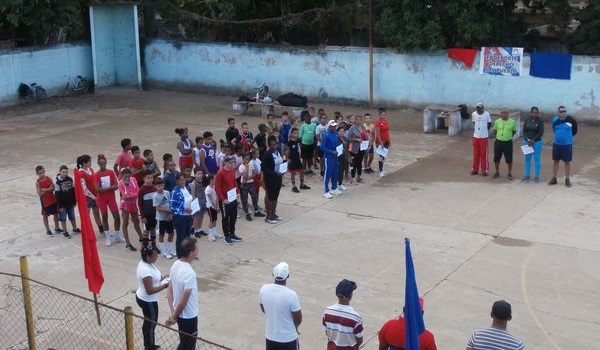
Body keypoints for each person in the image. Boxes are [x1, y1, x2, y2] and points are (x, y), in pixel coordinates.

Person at [259, 262, 302, 350]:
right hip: (288, 339)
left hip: (270, 337)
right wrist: (295, 327)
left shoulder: (264, 289)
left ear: (273, 274)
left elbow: (263, 308)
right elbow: (298, 318)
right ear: (288, 276)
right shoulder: (291, 295)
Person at [166, 237, 199, 350]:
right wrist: (173, 316)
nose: (197, 251)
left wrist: (173, 314)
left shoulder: (175, 264)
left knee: (184, 344)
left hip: (179, 315)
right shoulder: (190, 274)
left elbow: (169, 290)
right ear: (191, 253)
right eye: (196, 249)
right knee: (188, 346)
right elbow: (183, 302)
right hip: (189, 317)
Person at [136, 243, 169, 350]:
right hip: (147, 300)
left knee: (149, 322)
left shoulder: (148, 263)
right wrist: (165, 285)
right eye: (155, 255)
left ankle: (149, 343)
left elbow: (154, 277)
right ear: (148, 257)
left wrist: (162, 278)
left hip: (146, 298)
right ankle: (149, 346)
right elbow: (150, 290)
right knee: (151, 323)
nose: (157, 257)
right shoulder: (145, 270)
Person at [322, 279, 363, 350]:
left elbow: (327, 333)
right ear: (350, 296)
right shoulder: (355, 317)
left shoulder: (327, 312)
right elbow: (359, 339)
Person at [94, 154, 121, 246]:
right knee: (104, 217)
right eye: (101, 164)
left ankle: (117, 236)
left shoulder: (110, 172)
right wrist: (111, 188)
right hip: (101, 199)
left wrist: (106, 189)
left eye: (104, 164)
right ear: (98, 164)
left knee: (117, 217)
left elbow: (116, 186)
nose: (103, 166)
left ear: (106, 163)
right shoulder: (96, 175)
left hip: (111, 198)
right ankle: (108, 237)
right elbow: (97, 189)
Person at [215, 156, 243, 245]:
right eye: (230, 163)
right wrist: (223, 199)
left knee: (234, 216)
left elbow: (234, 182)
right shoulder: (220, 173)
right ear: (225, 163)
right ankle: (226, 236)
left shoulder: (232, 170)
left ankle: (232, 233)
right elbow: (217, 188)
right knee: (225, 218)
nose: (232, 165)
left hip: (233, 197)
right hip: (225, 199)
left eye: (233, 163)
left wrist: (238, 192)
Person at [548, 105, 578, 187]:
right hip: (556, 144)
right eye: (561, 111)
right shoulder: (555, 120)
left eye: (565, 111)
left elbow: (575, 131)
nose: (563, 113)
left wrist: (567, 137)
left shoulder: (571, 120)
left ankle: (567, 179)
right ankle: (554, 178)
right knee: (555, 161)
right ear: (558, 113)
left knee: (567, 162)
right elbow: (554, 129)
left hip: (567, 145)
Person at [77, 154, 104, 235]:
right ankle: (86, 231)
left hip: (94, 195)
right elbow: (84, 189)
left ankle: (101, 230)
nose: (91, 163)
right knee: (86, 216)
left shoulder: (90, 169)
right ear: (84, 163)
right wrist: (94, 197)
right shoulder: (80, 173)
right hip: (87, 198)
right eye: (89, 161)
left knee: (96, 213)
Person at [170, 172, 194, 258]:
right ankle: (180, 256)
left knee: (187, 236)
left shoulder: (186, 188)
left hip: (188, 216)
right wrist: (184, 209)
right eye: (180, 180)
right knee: (181, 237)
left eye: (183, 179)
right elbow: (172, 206)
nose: (182, 181)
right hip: (180, 217)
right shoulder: (174, 192)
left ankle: (186, 253)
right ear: (177, 181)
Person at [118, 168, 143, 251]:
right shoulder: (120, 184)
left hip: (133, 204)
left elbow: (138, 192)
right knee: (125, 223)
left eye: (128, 176)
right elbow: (124, 196)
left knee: (136, 221)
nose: (127, 178)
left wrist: (131, 195)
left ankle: (141, 237)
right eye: (125, 177)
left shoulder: (133, 179)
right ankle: (128, 244)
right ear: (122, 176)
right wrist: (133, 194)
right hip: (125, 205)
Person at [262, 135, 284, 224]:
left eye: (275, 144)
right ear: (269, 145)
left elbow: (281, 162)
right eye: (272, 145)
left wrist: (283, 169)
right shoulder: (267, 154)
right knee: (270, 197)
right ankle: (268, 216)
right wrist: (275, 173)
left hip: (278, 178)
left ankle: (273, 213)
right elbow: (265, 169)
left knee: (276, 196)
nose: (274, 147)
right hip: (270, 179)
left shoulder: (278, 152)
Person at [35, 165, 62, 237]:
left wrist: (43, 189)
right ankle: (48, 230)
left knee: (56, 213)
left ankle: (57, 227)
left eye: (43, 172)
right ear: (37, 174)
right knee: (45, 215)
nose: (42, 174)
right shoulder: (37, 183)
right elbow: (40, 194)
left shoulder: (49, 178)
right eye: (40, 173)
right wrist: (47, 189)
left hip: (52, 199)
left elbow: (53, 188)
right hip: (45, 201)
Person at [153, 177, 175, 259]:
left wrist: (169, 214)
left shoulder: (167, 193)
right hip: (161, 218)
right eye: (158, 186)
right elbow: (158, 208)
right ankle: (164, 251)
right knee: (161, 234)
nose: (160, 188)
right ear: (155, 186)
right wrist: (168, 211)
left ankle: (169, 249)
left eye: (161, 186)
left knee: (171, 233)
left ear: (164, 185)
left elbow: (170, 203)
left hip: (168, 217)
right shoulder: (155, 196)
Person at [55, 165, 80, 236]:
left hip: (70, 203)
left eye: (66, 172)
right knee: (63, 218)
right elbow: (57, 195)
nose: (65, 173)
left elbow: (73, 191)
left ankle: (74, 229)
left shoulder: (70, 179)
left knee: (72, 216)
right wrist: (60, 206)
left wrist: (74, 201)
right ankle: (65, 231)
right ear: (59, 172)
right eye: (63, 172)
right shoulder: (57, 183)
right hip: (63, 205)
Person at [492, 109, 517, 180]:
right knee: (496, 158)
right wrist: (499, 137)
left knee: (509, 159)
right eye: (502, 113)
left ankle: (509, 173)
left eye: (505, 113)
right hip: (498, 142)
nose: (504, 115)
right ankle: (497, 172)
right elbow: (494, 131)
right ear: (500, 114)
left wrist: (507, 136)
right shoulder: (497, 121)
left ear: (508, 114)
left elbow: (514, 131)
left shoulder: (512, 122)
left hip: (508, 142)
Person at [522, 107, 544, 182]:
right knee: (527, 160)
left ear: (538, 113)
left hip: (537, 142)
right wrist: (528, 139)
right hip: (527, 142)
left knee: (537, 159)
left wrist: (533, 140)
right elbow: (524, 131)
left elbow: (541, 132)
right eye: (533, 112)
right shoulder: (527, 120)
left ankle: (536, 177)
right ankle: (527, 176)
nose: (534, 114)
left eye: (536, 112)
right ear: (531, 113)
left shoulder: (540, 121)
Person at [321, 120, 342, 199]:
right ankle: (325, 191)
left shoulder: (336, 134)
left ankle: (334, 188)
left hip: (335, 156)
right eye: (332, 126)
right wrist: (331, 151)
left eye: (335, 126)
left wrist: (340, 149)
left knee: (335, 173)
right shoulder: (326, 135)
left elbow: (337, 144)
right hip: (328, 157)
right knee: (327, 174)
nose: (334, 127)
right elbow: (322, 147)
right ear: (329, 126)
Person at [471, 103, 492, 176]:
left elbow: (489, 124)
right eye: (477, 108)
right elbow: (474, 122)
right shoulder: (473, 114)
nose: (478, 109)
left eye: (480, 108)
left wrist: (484, 130)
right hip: (476, 137)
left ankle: (484, 170)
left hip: (484, 137)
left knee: (484, 154)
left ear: (483, 108)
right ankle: (475, 169)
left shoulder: (487, 114)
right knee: (476, 154)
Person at [287, 127, 310, 193]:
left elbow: (299, 148)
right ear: (291, 134)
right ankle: (293, 186)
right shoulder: (290, 142)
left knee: (302, 171)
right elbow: (288, 151)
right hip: (292, 159)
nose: (296, 135)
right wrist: (288, 158)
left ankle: (302, 184)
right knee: (293, 173)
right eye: (295, 133)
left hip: (298, 159)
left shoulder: (298, 140)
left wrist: (300, 154)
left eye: (297, 133)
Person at [239, 153, 261, 221]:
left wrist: (249, 177)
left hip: (250, 183)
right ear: (243, 159)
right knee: (245, 199)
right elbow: (245, 176)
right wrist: (247, 168)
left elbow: (254, 174)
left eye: (248, 159)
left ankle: (256, 211)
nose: (247, 161)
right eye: (246, 159)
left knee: (254, 196)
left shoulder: (251, 164)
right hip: (244, 185)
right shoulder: (241, 167)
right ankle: (247, 213)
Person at [138, 171, 158, 242]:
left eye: (151, 178)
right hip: (146, 214)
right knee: (146, 230)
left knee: (153, 229)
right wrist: (143, 216)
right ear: (144, 179)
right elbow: (140, 204)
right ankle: (145, 246)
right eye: (148, 178)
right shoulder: (141, 190)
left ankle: (153, 246)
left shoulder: (154, 188)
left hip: (154, 213)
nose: (150, 180)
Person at [348, 114, 367, 183]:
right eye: (357, 120)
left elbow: (366, 136)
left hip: (361, 148)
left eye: (360, 120)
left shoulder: (363, 127)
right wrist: (356, 139)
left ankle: (359, 177)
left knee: (359, 163)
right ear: (355, 120)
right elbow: (348, 138)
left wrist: (367, 142)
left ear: (361, 120)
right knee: (353, 163)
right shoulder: (352, 128)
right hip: (354, 149)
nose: (358, 121)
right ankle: (353, 178)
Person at [299, 110, 317, 175]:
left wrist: (315, 144)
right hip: (304, 144)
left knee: (310, 157)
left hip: (311, 144)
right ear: (304, 118)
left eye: (309, 117)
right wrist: (301, 144)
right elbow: (300, 136)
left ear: (310, 118)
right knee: (304, 158)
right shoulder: (302, 126)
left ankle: (309, 169)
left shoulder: (314, 125)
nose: (307, 119)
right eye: (306, 118)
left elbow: (315, 135)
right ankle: (304, 170)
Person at [204, 174, 221, 242]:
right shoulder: (208, 189)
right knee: (212, 220)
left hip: (215, 207)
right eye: (215, 179)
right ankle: (210, 235)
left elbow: (216, 196)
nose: (216, 180)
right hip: (210, 207)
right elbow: (211, 200)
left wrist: (217, 205)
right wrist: (215, 207)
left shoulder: (214, 187)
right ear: (211, 180)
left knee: (215, 220)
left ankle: (214, 232)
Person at [375, 108, 391, 178]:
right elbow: (378, 133)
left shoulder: (386, 121)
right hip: (380, 142)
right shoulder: (378, 122)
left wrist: (389, 141)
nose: (383, 116)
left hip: (386, 141)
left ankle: (382, 169)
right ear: (379, 115)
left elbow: (387, 132)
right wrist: (381, 143)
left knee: (383, 156)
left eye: (384, 115)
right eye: (382, 115)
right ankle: (381, 171)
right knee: (381, 157)